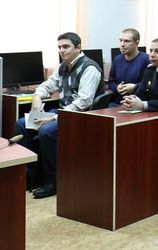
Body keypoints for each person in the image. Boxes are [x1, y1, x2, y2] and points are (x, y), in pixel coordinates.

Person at [15, 32, 104, 198]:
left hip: (82, 117)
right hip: (63, 113)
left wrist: (54, 117)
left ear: (78, 47)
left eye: (66, 47)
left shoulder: (89, 68)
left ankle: (54, 181)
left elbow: (83, 102)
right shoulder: (64, 66)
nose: (62, 51)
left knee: (46, 131)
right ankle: (28, 177)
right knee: (22, 124)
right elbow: (47, 85)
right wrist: (37, 97)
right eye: (59, 47)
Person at [107, 28, 149, 104]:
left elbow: (151, 84)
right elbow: (111, 82)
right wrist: (117, 87)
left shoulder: (146, 60)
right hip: (118, 102)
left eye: (127, 41)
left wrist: (135, 87)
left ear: (136, 43)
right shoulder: (117, 59)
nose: (122, 44)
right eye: (120, 40)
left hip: (138, 102)